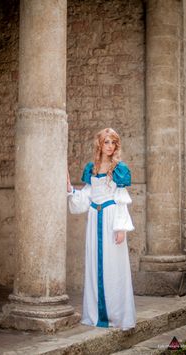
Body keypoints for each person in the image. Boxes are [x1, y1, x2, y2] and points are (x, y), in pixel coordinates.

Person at [67, 128, 136, 331]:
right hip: (94, 219)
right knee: (95, 265)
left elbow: (121, 200)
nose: (109, 146)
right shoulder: (92, 167)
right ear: (100, 144)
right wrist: (71, 191)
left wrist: (121, 228)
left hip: (111, 218)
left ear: (116, 146)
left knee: (113, 266)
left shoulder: (119, 169)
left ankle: (117, 315)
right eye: (106, 142)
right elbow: (87, 195)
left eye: (113, 143)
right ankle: (96, 315)